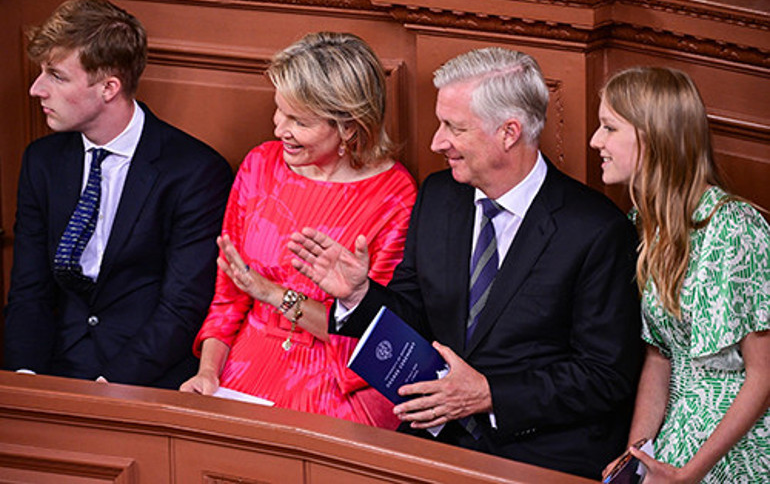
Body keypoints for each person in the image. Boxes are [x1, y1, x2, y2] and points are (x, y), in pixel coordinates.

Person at [289, 47, 643, 479]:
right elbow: (415, 314)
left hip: (539, 452)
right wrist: (360, 295)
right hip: (437, 437)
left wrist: (490, 394)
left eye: (454, 128)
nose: (436, 142)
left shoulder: (597, 230)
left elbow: (604, 376)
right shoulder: (439, 197)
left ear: (509, 132)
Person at [180, 32, 417, 429]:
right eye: (279, 111)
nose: (279, 129)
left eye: (299, 121)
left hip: (339, 383)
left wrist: (273, 294)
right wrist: (208, 373)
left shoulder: (393, 197)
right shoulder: (261, 164)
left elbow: (369, 334)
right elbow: (228, 297)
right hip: (244, 366)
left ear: (349, 127)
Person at [3, 0, 233, 389]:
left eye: (56, 76)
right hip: (54, 364)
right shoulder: (42, 161)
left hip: (143, 375)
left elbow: (181, 307)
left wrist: (110, 388)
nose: (36, 89)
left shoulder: (195, 171)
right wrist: (27, 380)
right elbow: (29, 289)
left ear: (109, 87)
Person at [592, 67, 769, 483]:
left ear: (653, 137)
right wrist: (634, 458)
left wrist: (691, 472)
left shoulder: (735, 227)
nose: (595, 141)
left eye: (609, 128)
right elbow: (659, 357)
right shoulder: (642, 225)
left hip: (741, 447)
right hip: (678, 433)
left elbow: (764, 375)